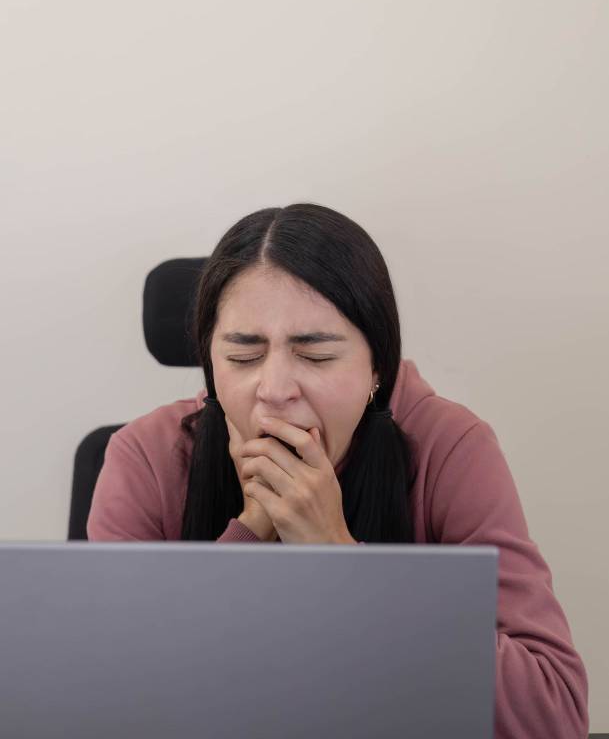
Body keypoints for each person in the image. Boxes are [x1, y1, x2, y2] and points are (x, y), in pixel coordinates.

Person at [87, 202, 589, 738]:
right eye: (243, 357)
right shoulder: (144, 456)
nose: (275, 390)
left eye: (316, 356)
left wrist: (340, 559)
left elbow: (551, 713)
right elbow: (105, 702)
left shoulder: (451, 448)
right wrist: (252, 531)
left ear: (378, 366)